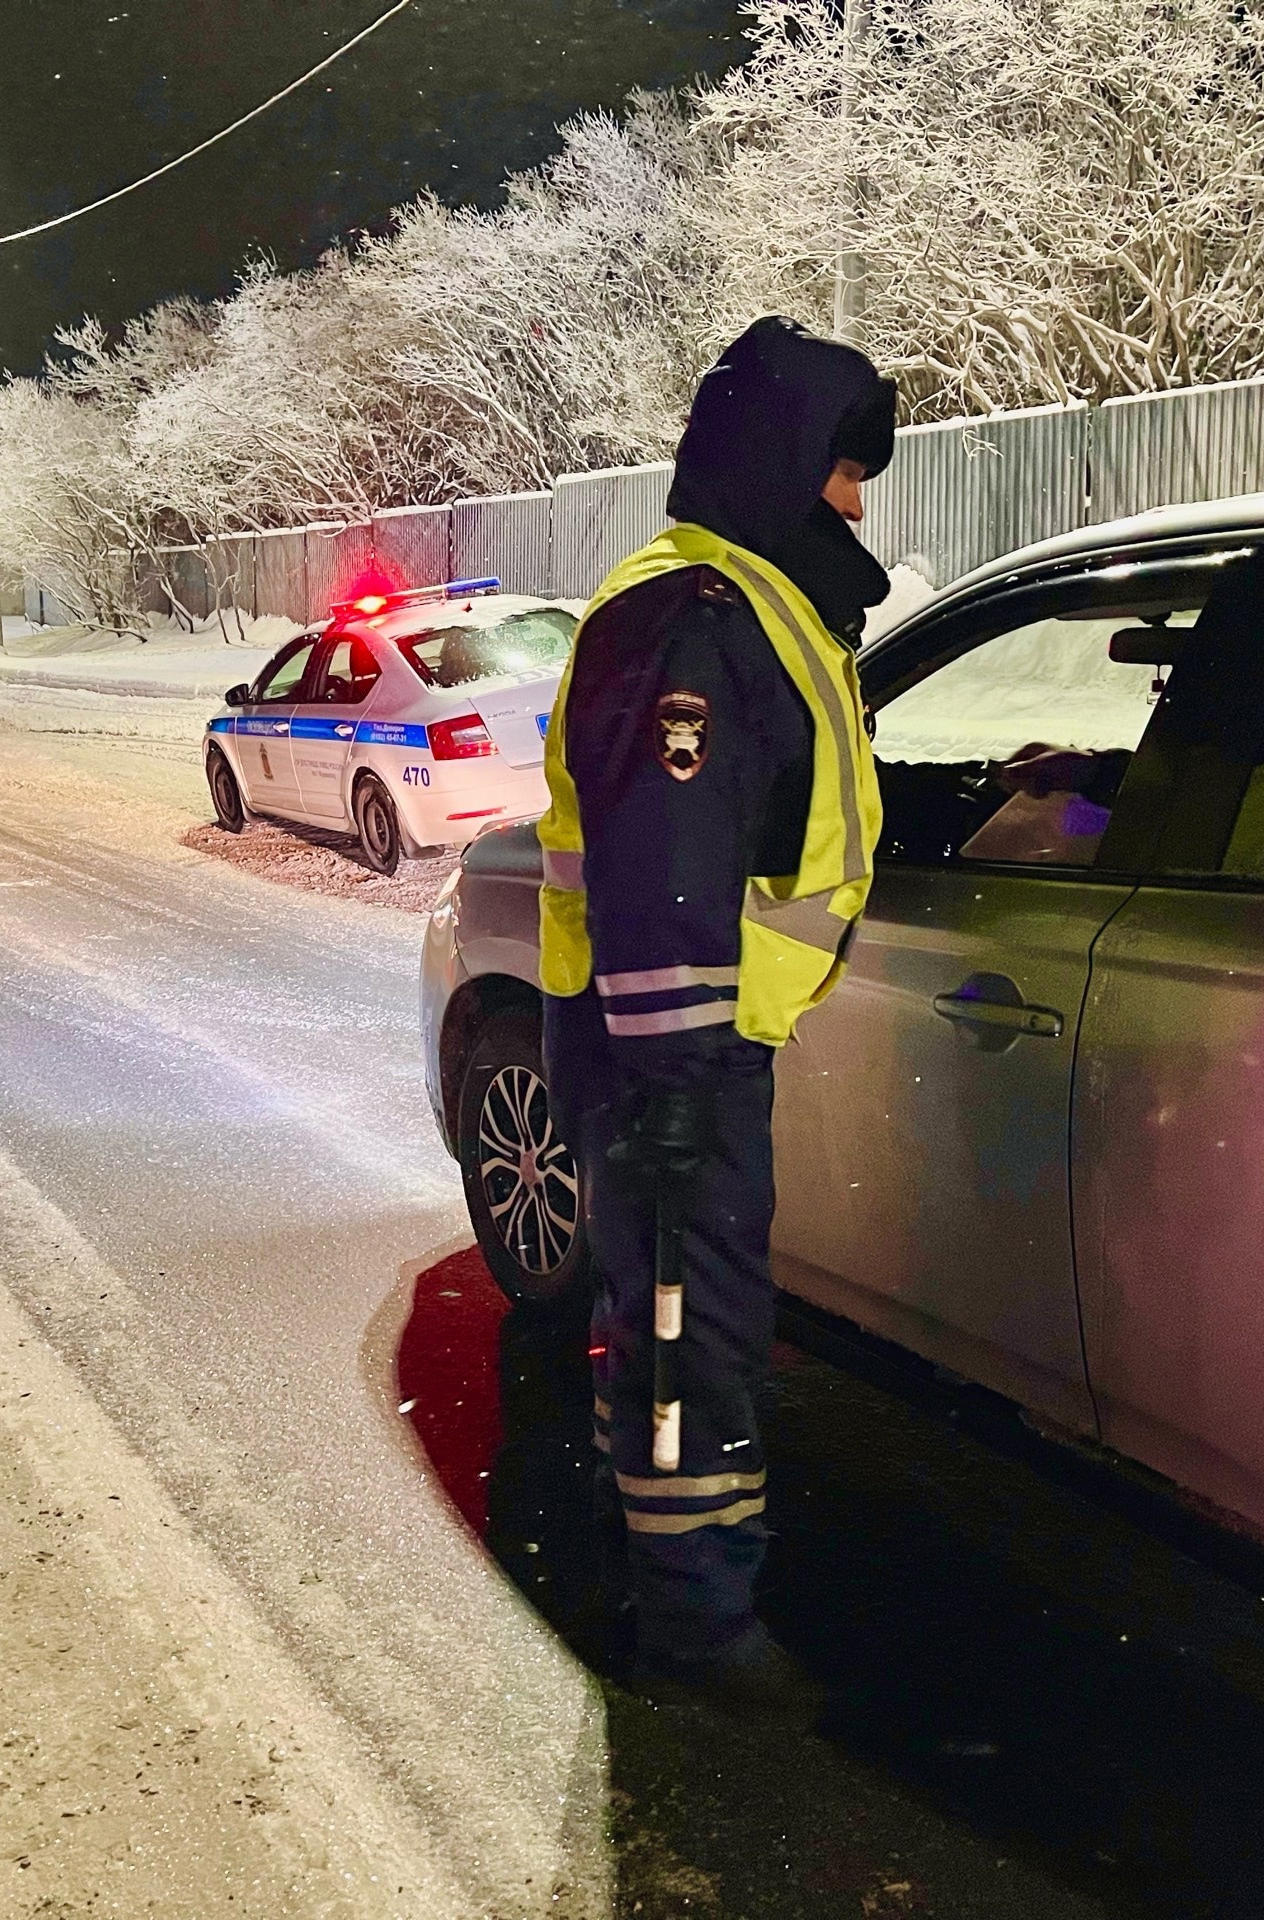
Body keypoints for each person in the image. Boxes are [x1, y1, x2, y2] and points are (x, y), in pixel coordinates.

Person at [537, 316, 893, 1718]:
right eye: (844, 469)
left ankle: (681, 1583)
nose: (857, 503)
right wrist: (681, 1083)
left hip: (682, 1055)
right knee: (690, 1333)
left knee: (691, 1324)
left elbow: (770, 820)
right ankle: (696, 1634)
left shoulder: (744, 606)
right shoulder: (693, 623)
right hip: (666, 1063)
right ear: (779, 464)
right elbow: (664, 872)